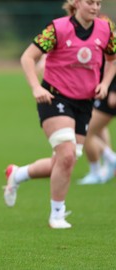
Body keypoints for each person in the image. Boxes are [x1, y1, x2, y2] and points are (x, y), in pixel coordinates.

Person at [4, 0, 116, 229]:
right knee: (66, 155)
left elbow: (112, 59)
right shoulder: (57, 28)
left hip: (84, 104)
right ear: (76, 3)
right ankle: (57, 213)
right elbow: (27, 57)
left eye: (98, 2)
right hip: (55, 99)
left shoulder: (106, 30)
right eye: (89, 2)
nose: (95, 7)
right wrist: (36, 87)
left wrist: (105, 83)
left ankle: (18, 174)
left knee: (65, 161)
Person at [78, 14, 116, 185]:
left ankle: (101, 167)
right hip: (100, 96)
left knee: (85, 131)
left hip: (108, 98)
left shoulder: (110, 47)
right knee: (98, 130)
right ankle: (106, 167)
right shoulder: (98, 47)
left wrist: (112, 91)